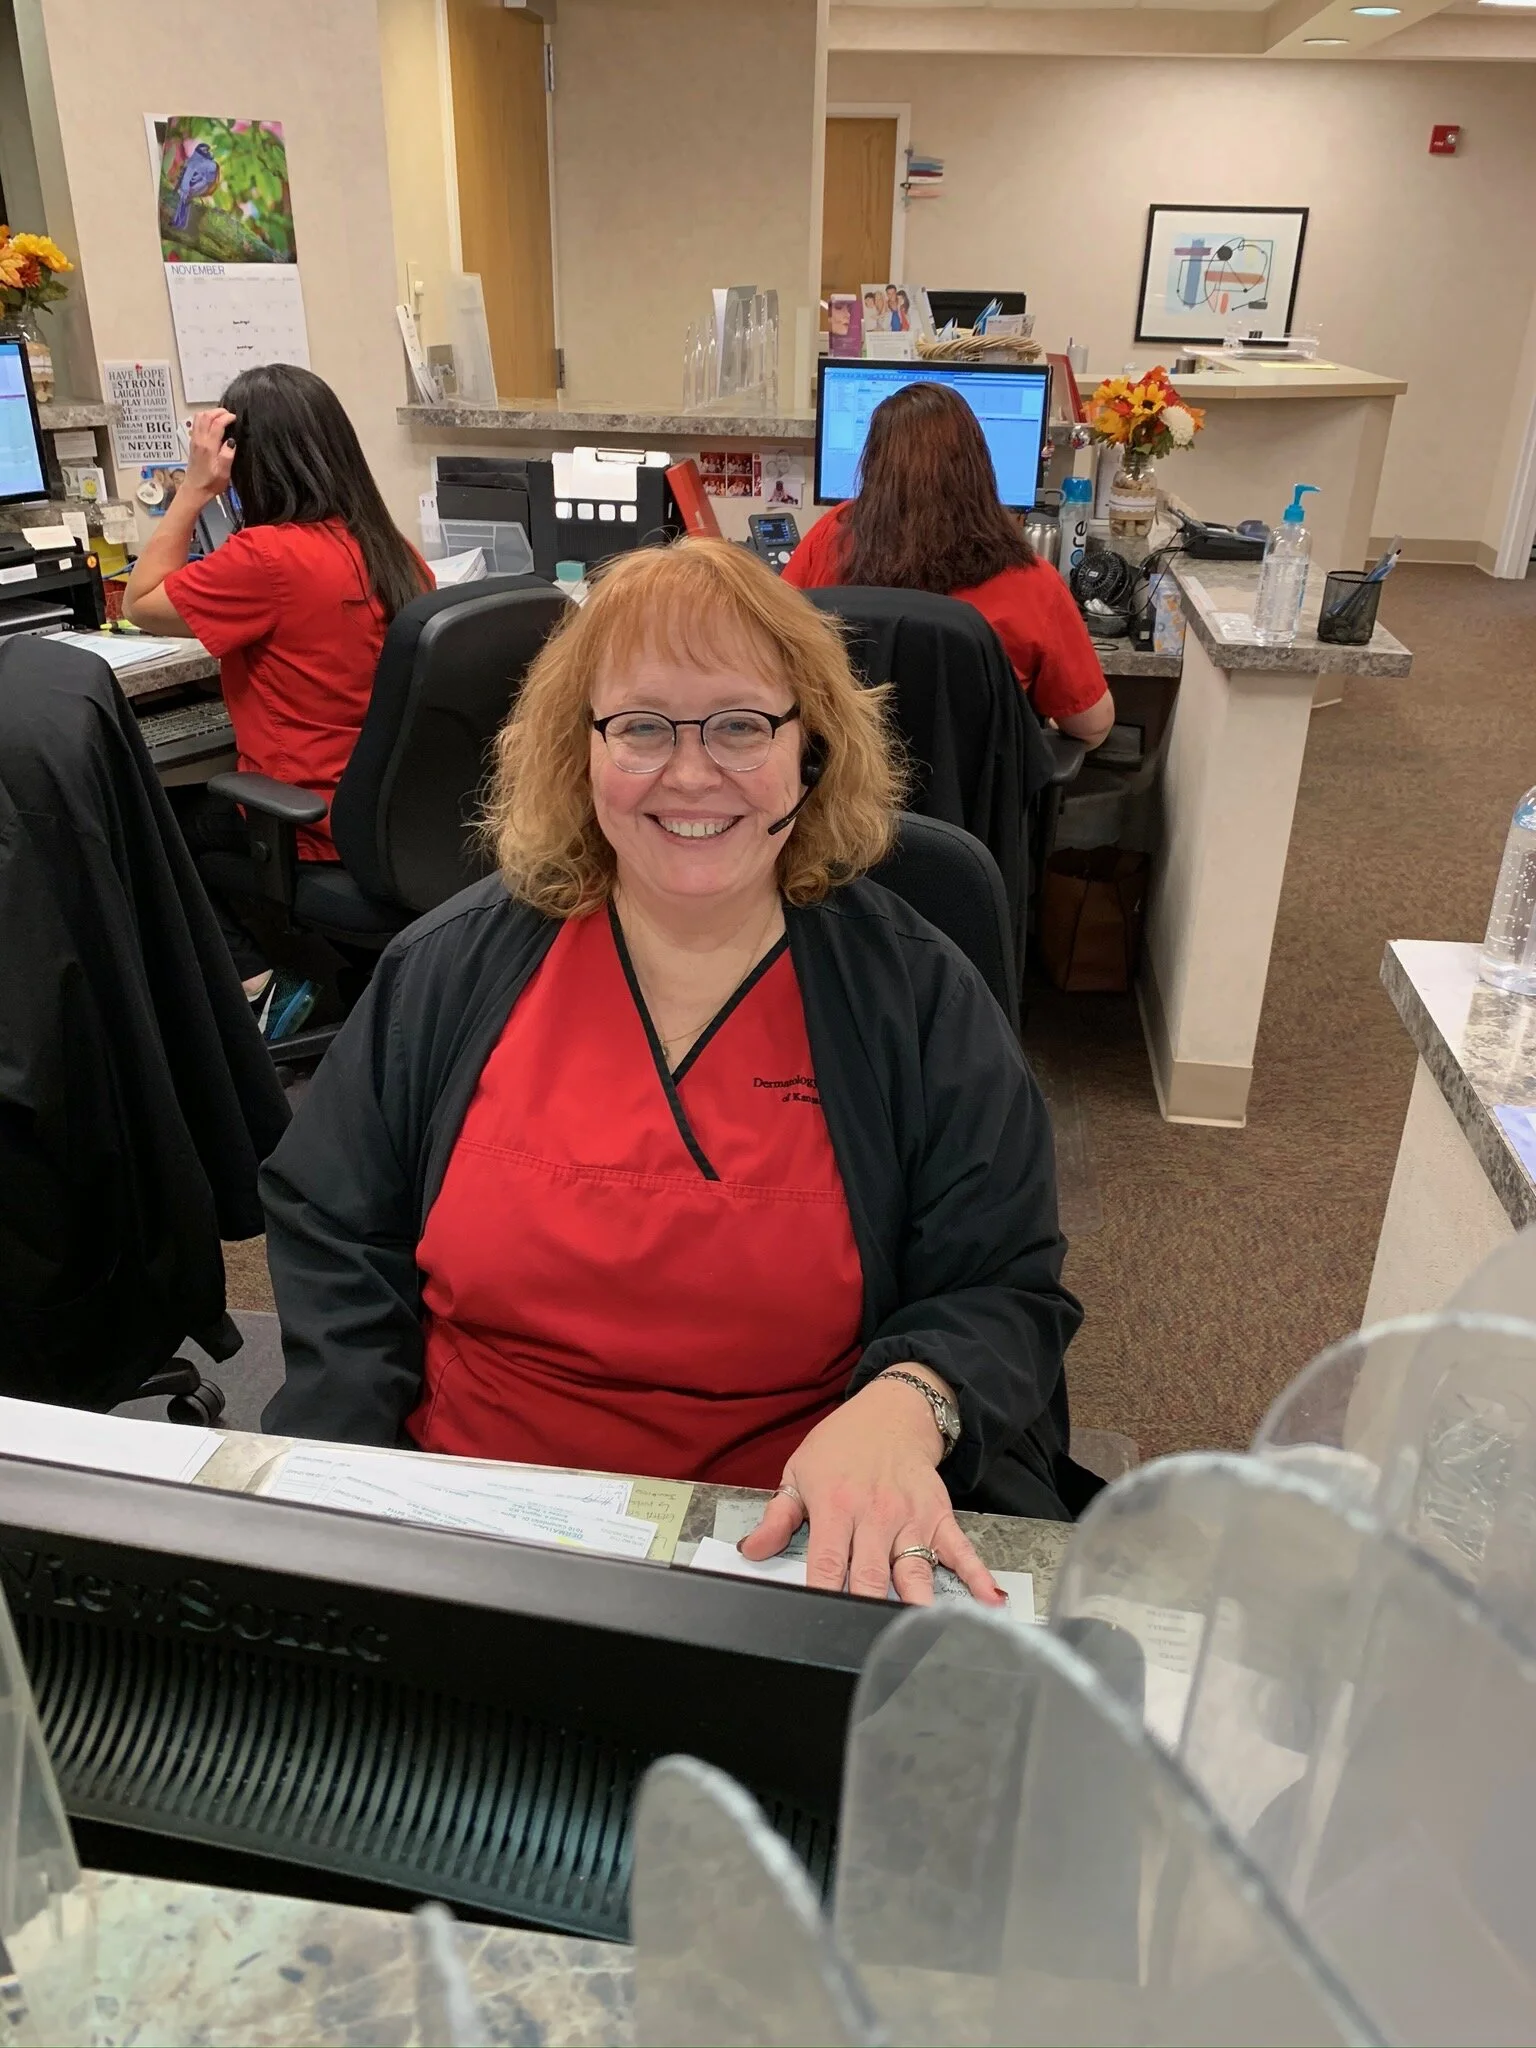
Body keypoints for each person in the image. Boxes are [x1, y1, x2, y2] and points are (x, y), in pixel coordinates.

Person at [260, 537, 1092, 1604]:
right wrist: (349, 1479)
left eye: (742, 724)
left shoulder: (916, 999)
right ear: (583, 750)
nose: (691, 771)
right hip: (470, 1524)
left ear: (813, 750)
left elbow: (1004, 1283)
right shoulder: (447, 971)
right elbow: (333, 1224)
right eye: (643, 726)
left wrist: (909, 1400)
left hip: (794, 1546)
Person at [124, 363, 432, 1042]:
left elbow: (139, 603)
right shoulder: (393, 549)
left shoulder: (265, 557)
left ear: (251, 462)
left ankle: (258, 988)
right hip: (395, 824)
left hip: (312, 818)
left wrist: (193, 492)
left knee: (145, 823)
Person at [782, 381, 1115, 748]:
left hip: (844, 794)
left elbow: (776, 647)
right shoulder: (1033, 582)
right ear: (978, 465)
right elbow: (1092, 725)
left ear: (873, 464)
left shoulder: (832, 534)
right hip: (971, 804)